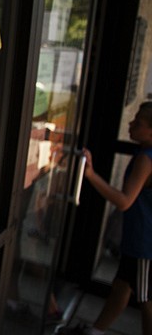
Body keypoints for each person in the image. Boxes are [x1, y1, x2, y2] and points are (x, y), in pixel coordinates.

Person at [61, 102, 152, 335]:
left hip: (145, 245)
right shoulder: (143, 152)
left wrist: (90, 175)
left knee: (146, 300)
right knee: (122, 287)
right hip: (138, 240)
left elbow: (124, 201)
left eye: (138, 122)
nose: (131, 124)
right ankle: (96, 331)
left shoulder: (146, 159)